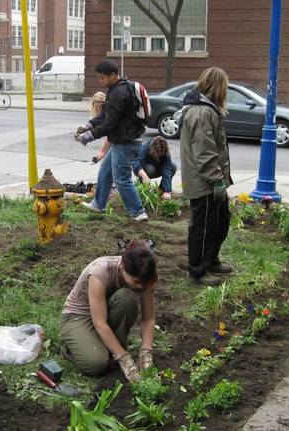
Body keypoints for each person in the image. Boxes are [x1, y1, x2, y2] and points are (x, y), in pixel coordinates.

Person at [60, 240, 157, 381]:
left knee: (126, 298)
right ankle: (70, 348)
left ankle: (109, 349)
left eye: (143, 283)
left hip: (105, 310)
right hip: (79, 316)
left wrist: (146, 353)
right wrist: (124, 359)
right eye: (135, 282)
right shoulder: (100, 272)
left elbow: (148, 318)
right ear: (123, 266)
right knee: (96, 364)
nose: (140, 286)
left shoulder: (145, 275)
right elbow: (100, 323)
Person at [179, 66, 233, 286]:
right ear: (218, 87)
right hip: (205, 182)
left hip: (210, 180)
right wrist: (217, 180)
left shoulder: (207, 109)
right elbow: (205, 152)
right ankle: (198, 271)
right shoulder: (202, 113)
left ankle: (210, 260)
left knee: (220, 221)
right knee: (203, 227)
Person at [75, 60, 148, 221]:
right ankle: (99, 204)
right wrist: (89, 125)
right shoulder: (117, 89)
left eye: (102, 78)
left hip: (127, 142)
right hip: (123, 140)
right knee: (106, 171)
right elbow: (105, 114)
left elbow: (109, 124)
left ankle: (138, 212)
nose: (100, 81)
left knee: (121, 179)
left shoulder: (119, 93)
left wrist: (89, 136)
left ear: (113, 75)